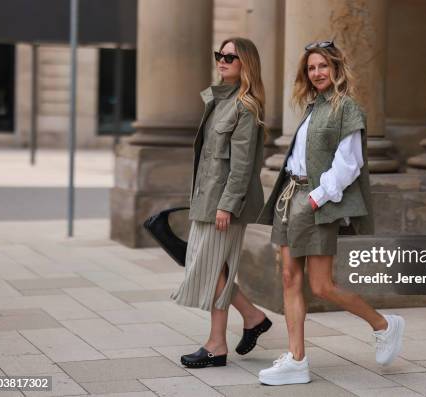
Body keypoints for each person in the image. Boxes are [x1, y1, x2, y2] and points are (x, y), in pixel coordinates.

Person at [256, 40, 405, 385]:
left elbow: (350, 163)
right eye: (311, 68)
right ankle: (296, 360)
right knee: (289, 279)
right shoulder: (313, 107)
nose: (317, 73)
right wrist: (297, 200)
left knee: (321, 286)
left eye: (323, 66)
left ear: (337, 68)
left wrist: (317, 199)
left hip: (315, 201)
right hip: (290, 196)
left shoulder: (346, 108)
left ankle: (383, 325)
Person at [171, 37, 272, 368]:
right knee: (216, 269)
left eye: (231, 56)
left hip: (222, 203)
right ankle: (249, 319)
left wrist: (227, 204)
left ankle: (219, 343)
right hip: (206, 197)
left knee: (211, 268)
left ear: (246, 64)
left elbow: (242, 166)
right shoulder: (218, 100)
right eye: (220, 55)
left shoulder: (245, 106)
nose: (223, 60)